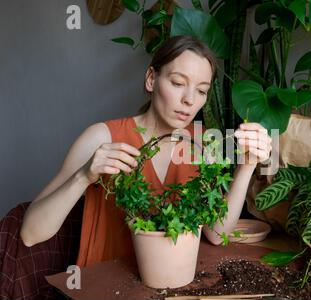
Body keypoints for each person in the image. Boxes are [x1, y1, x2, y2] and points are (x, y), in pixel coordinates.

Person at [19, 35, 272, 268]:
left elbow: (217, 235)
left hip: (174, 288)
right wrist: (84, 176)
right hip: (104, 289)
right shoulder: (101, 137)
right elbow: (30, 234)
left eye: (202, 90)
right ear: (151, 79)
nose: (189, 99)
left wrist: (248, 164)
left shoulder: (203, 144)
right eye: (177, 83)